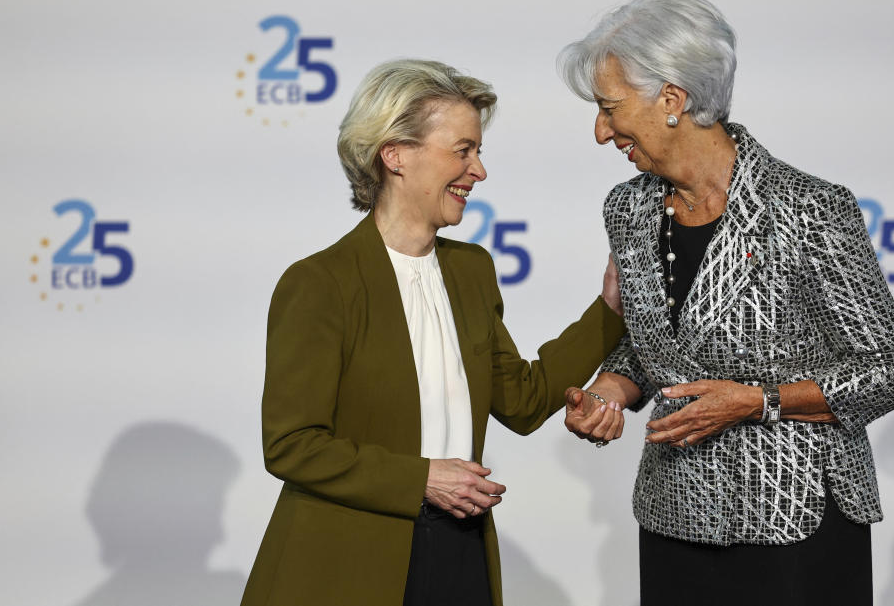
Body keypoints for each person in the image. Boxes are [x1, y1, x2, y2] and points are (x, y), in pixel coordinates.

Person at [558, 0, 894, 605]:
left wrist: (758, 401)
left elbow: (890, 372)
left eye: (610, 108)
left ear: (672, 99)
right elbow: (659, 347)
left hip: (794, 517)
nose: (600, 131)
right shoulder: (628, 208)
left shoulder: (809, 209)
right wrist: (609, 393)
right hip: (677, 517)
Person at [239, 59, 626, 606]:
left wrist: (610, 308)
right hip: (348, 564)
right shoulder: (319, 283)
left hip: (458, 553)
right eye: (462, 150)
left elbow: (522, 400)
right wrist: (420, 479)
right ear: (394, 154)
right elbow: (291, 445)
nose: (479, 171)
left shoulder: (471, 270)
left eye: (479, 152)